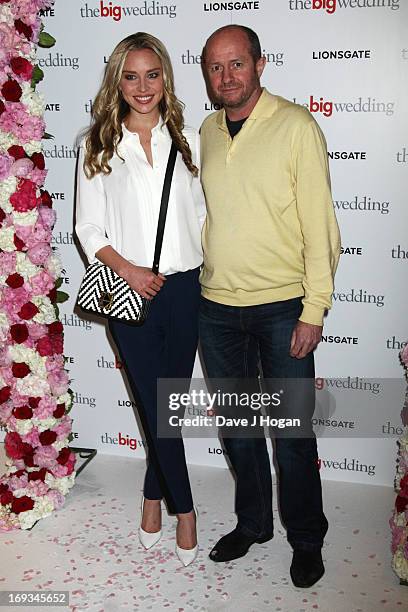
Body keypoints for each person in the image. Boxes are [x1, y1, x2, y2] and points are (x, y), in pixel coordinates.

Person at [199, 25, 341, 587]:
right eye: (215, 67)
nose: (227, 76)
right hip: (216, 307)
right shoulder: (207, 131)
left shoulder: (296, 126)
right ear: (206, 74)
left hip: (283, 307)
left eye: (237, 64)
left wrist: (315, 308)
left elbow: (320, 225)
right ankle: (254, 523)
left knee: (291, 434)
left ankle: (306, 538)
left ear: (260, 64)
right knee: (236, 427)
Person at [75, 32, 205, 567]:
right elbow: (88, 227)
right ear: (117, 82)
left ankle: (153, 494)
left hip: (186, 289)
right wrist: (129, 270)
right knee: (157, 402)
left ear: (166, 79)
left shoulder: (191, 138)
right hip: (127, 290)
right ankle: (187, 510)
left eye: (152, 75)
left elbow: (201, 215)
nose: (143, 86)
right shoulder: (99, 145)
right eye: (131, 76)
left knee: (166, 407)